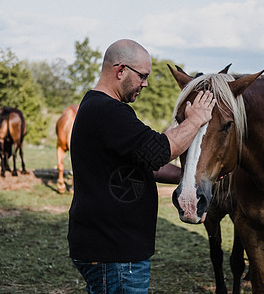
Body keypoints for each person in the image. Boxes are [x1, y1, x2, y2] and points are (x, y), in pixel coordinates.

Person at [68, 39, 215, 293]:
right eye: (143, 76)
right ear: (120, 70)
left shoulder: (101, 109)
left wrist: (187, 176)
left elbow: (148, 163)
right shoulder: (107, 111)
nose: (145, 84)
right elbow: (159, 152)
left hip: (114, 251)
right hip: (114, 255)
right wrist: (196, 119)